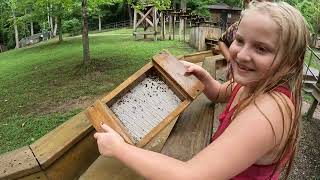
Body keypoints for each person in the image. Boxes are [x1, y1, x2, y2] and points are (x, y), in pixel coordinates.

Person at [94, 1, 309, 179]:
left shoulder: (268, 113)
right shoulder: (251, 85)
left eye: (261, 49)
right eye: (240, 40)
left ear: (290, 61)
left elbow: (191, 176)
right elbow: (219, 93)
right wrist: (204, 77)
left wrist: (120, 149)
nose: (242, 54)